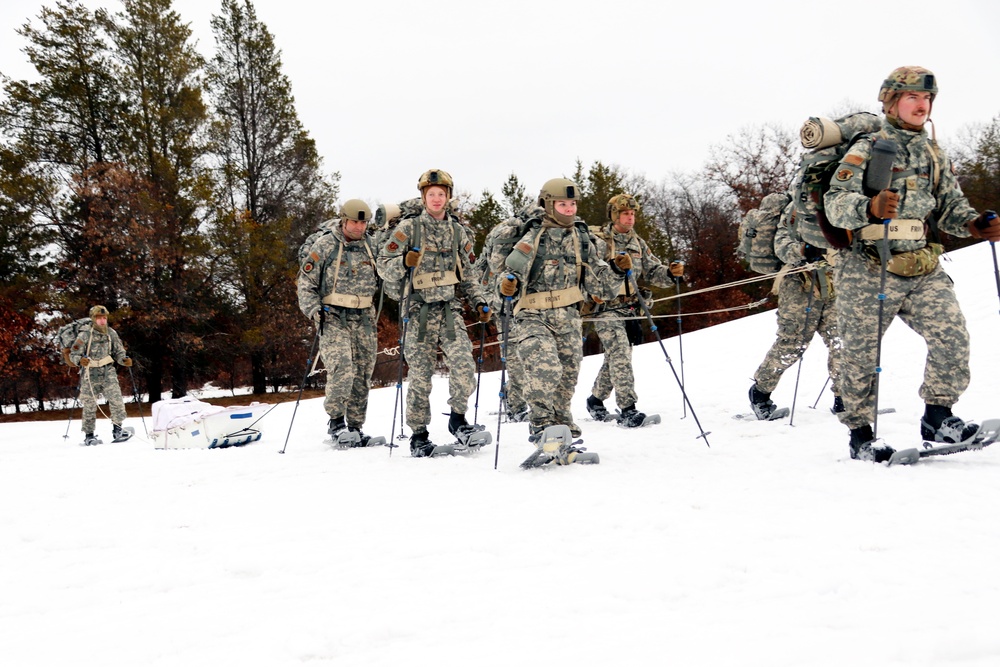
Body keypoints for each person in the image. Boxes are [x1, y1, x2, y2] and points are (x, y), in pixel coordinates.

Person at [824, 65, 1000, 462]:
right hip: (869, 265)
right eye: (912, 98)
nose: (921, 105)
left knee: (953, 337)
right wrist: (867, 206)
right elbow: (835, 205)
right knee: (861, 354)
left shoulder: (934, 152)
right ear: (891, 101)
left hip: (922, 264)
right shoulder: (868, 147)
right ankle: (861, 434)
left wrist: (974, 223)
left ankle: (938, 415)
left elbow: (951, 207)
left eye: (927, 99)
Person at [487, 178, 627, 443]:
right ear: (548, 205)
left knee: (567, 375)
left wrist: (617, 270)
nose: (569, 209)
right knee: (544, 369)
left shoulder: (583, 238)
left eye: (572, 204)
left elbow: (603, 287)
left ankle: (563, 425)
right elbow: (507, 277)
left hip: (569, 317)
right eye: (562, 204)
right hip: (532, 315)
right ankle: (541, 426)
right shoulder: (532, 236)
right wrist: (507, 286)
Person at [375, 169, 491, 457]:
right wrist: (403, 261)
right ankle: (419, 434)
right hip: (418, 310)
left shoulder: (457, 231)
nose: (436, 199)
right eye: (431, 195)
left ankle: (458, 420)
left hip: (450, 308)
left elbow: (469, 274)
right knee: (421, 375)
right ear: (423, 197)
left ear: (448, 197)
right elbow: (383, 266)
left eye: (441, 194)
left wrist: (479, 301)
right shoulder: (409, 229)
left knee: (464, 366)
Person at [583, 193, 685, 426]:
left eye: (632, 214)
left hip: (630, 308)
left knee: (617, 357)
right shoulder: (597, 242)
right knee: (620, 352)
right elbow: (588, 274)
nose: (630, 218)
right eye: (625, 214)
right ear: (614, 215)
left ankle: (595, 399)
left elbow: (652, 270)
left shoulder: (637, 243)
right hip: (604, 308)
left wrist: (670, 273)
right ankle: (628, 408)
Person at [748, 200, 843, 419]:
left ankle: (845, 399)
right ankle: (760, 392)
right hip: (799, 283)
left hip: (833, 280)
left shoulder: (841, 202)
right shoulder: (796, 208)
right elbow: (781, 246)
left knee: (842, 340)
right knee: (792, 343)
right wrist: (803, 250)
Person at [298, 199, 381, 446]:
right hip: (332, 315)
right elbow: (305, 283)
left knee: (364, 371)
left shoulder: (372, 246)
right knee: (342, 368)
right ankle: (336, 422)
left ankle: (356, 426)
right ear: (344, 220)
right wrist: (314, 310)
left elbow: (389, 274)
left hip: (364, 316)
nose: (359, 227)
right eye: (355, 221)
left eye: (363, 222)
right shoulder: (325, 245)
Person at [68, 305, 133, 444]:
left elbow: (119, 351)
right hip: (89, 374)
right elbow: (74, 354)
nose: (102, 321)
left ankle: (118, 430)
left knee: (116, 401)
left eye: (104, 318)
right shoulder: (85, 334)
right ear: (93, 319)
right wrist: (80, 360)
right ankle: (89, 435)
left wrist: (124, 360)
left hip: (107, 372)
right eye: (99, 318)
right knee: (89, 405)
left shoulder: (111, 333)